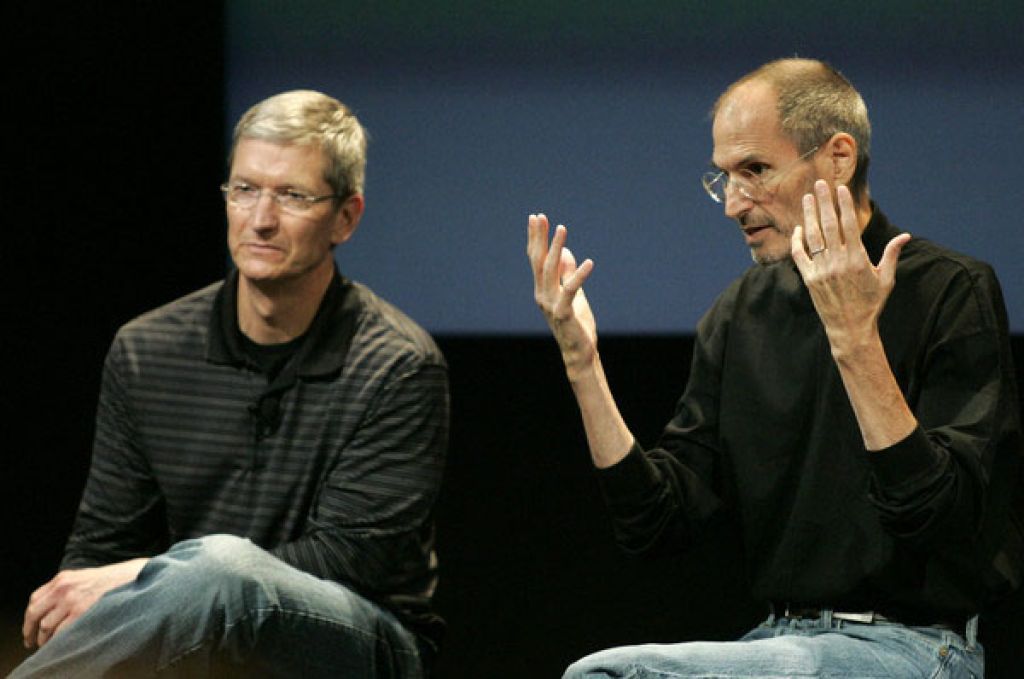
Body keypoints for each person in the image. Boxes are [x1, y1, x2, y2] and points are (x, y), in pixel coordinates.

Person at [528, 58, 1023, 677]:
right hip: (777, 639)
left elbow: (945, 523)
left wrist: (855, 341)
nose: (733, 204)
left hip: (917, 645)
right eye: (723, 178)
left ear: (838, 158)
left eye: (755, 171)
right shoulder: (740, 313)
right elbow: (657, 524)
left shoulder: (950, 291)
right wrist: (582, 364)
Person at [13, 90, 449, 678]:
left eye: (292, 196)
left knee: (223, 568)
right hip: (198, 629)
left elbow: (350, 559)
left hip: (359, 640)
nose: (260, 219)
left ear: (346, 217)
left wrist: (163, 578)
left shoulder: (397, 365)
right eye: (244, 189)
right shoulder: (147, 350)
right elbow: (102, 551)